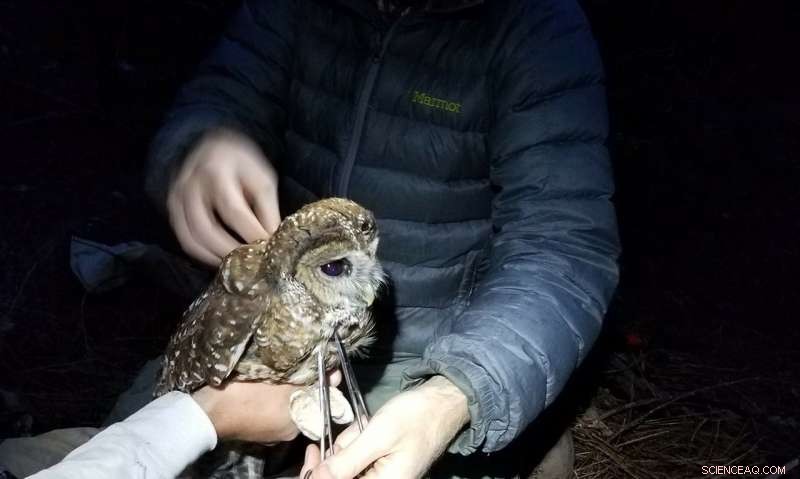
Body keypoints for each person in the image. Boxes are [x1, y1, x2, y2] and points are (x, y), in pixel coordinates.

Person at [2, 0, 619, 477]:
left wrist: (464, 389)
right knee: (133, 444)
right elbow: (225, 87)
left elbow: (565, 247)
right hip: (257, 326)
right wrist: (199, 140)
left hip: (423, 356)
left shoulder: (534, 28)